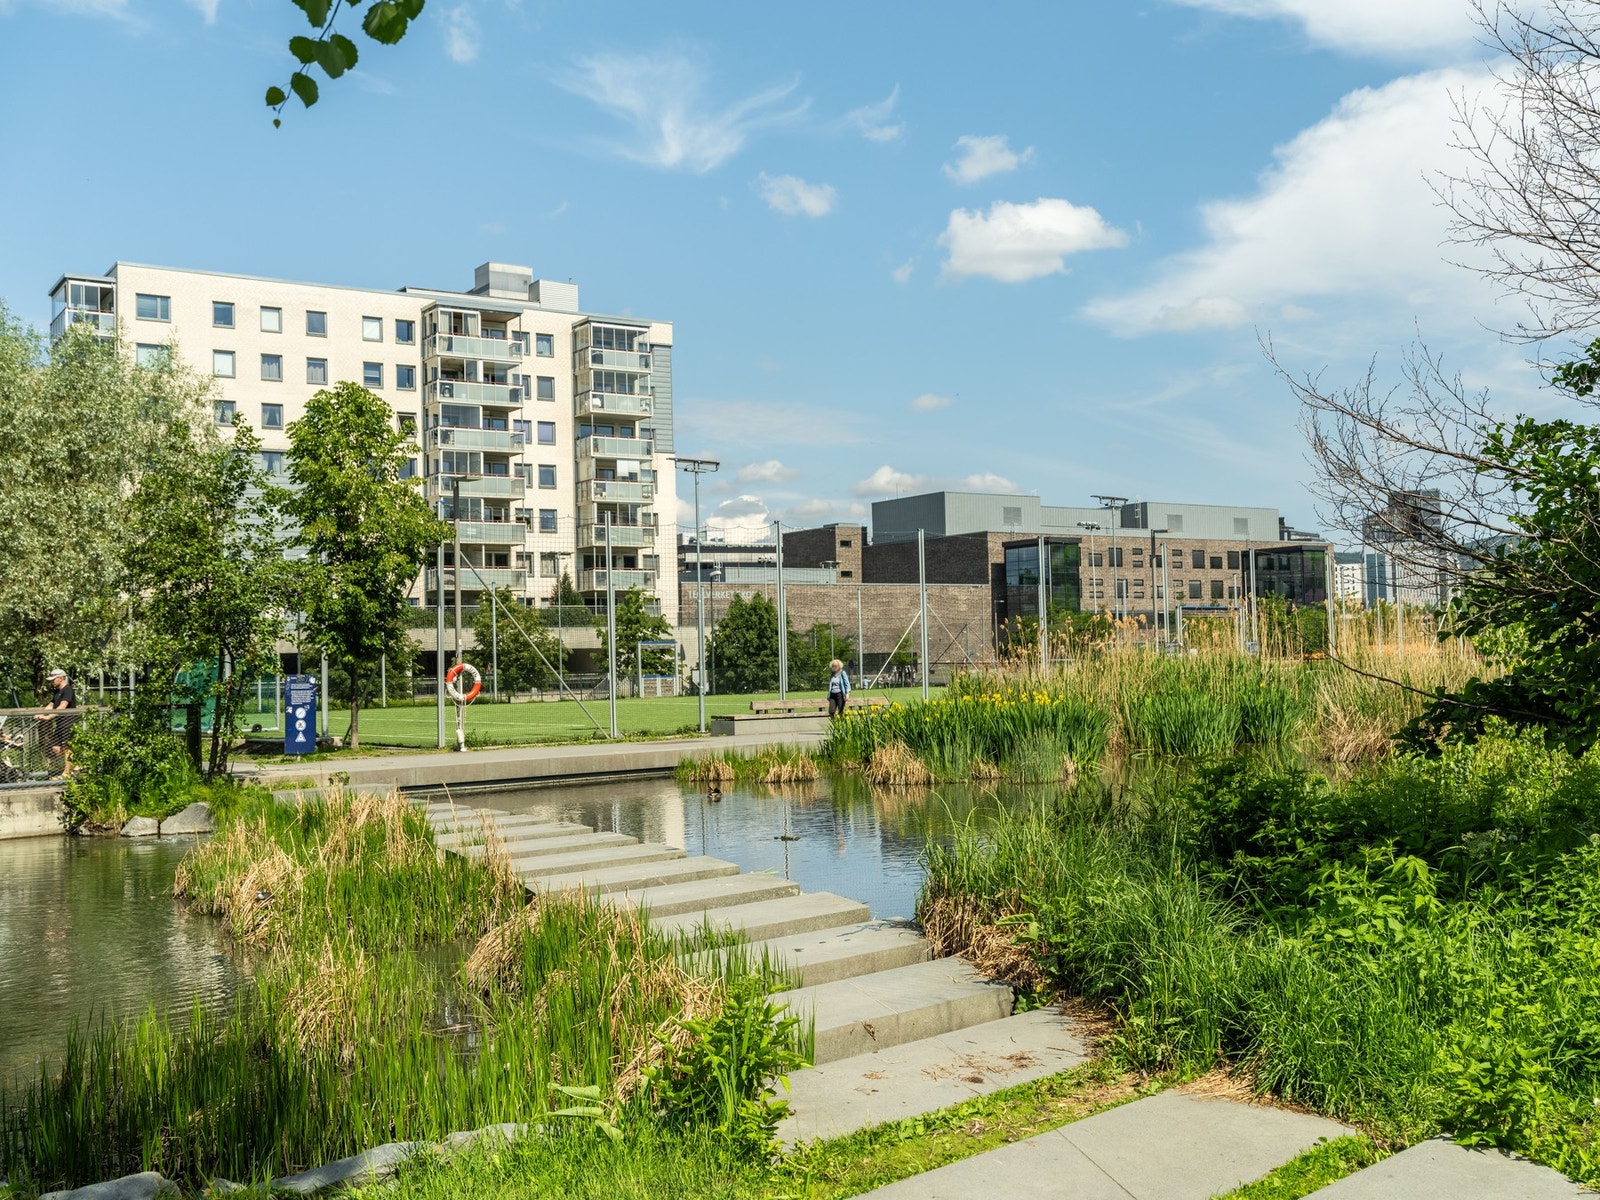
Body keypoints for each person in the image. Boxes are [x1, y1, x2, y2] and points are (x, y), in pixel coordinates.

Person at [35, 668, 77, 774]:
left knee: (67, 748)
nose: (52, 682)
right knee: (55, 747)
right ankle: (77, 765)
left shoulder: (68, 690)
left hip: (68, 723)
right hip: (59, 723)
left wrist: (49, 717)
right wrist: (41, 714)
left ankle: (66, 773)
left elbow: (63, 706)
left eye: (53, 679)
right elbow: (51, 705)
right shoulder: (58, 691)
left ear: (61, 678)